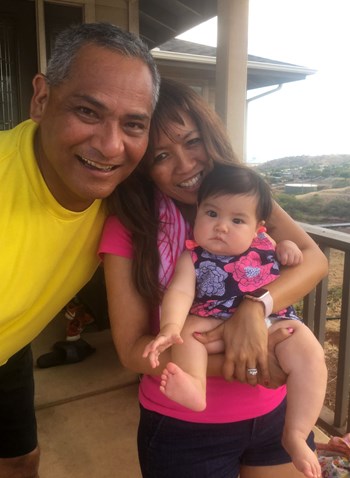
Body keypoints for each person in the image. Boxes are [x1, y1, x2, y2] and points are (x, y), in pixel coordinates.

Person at [100, 78, 328, 478]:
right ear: (143, 167)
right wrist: (248, 360)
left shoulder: (245, 199)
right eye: (161, 156)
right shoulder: (129, 227)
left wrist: (254, 310)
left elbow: (313, 260)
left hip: (275, 411)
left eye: (192, 142)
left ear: (211, 137)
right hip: (186, 429)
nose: (185, 164)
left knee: (310, 351)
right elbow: (131, 351)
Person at [0, 22, 160, 478]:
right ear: (41, 99)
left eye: (133, 124)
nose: (111, 146)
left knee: (20, 460)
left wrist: (258, 304)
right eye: (88, 112)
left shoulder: (125, 191)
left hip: (10, 349)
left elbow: (259, 216)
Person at [142, 163, 327, 478]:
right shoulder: (193, 257)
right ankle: (196, 389)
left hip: (273, 320)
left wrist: (288, 247)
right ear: (198, 212)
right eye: (211, 214)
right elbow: (181, 292)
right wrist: (170, 327)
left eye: (237, 220)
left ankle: (296, 432)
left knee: (311, 354)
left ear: (258, 228)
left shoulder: (266, 245)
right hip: (211, 318)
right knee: (188, 333)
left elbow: (298, 263)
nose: (221, 227)